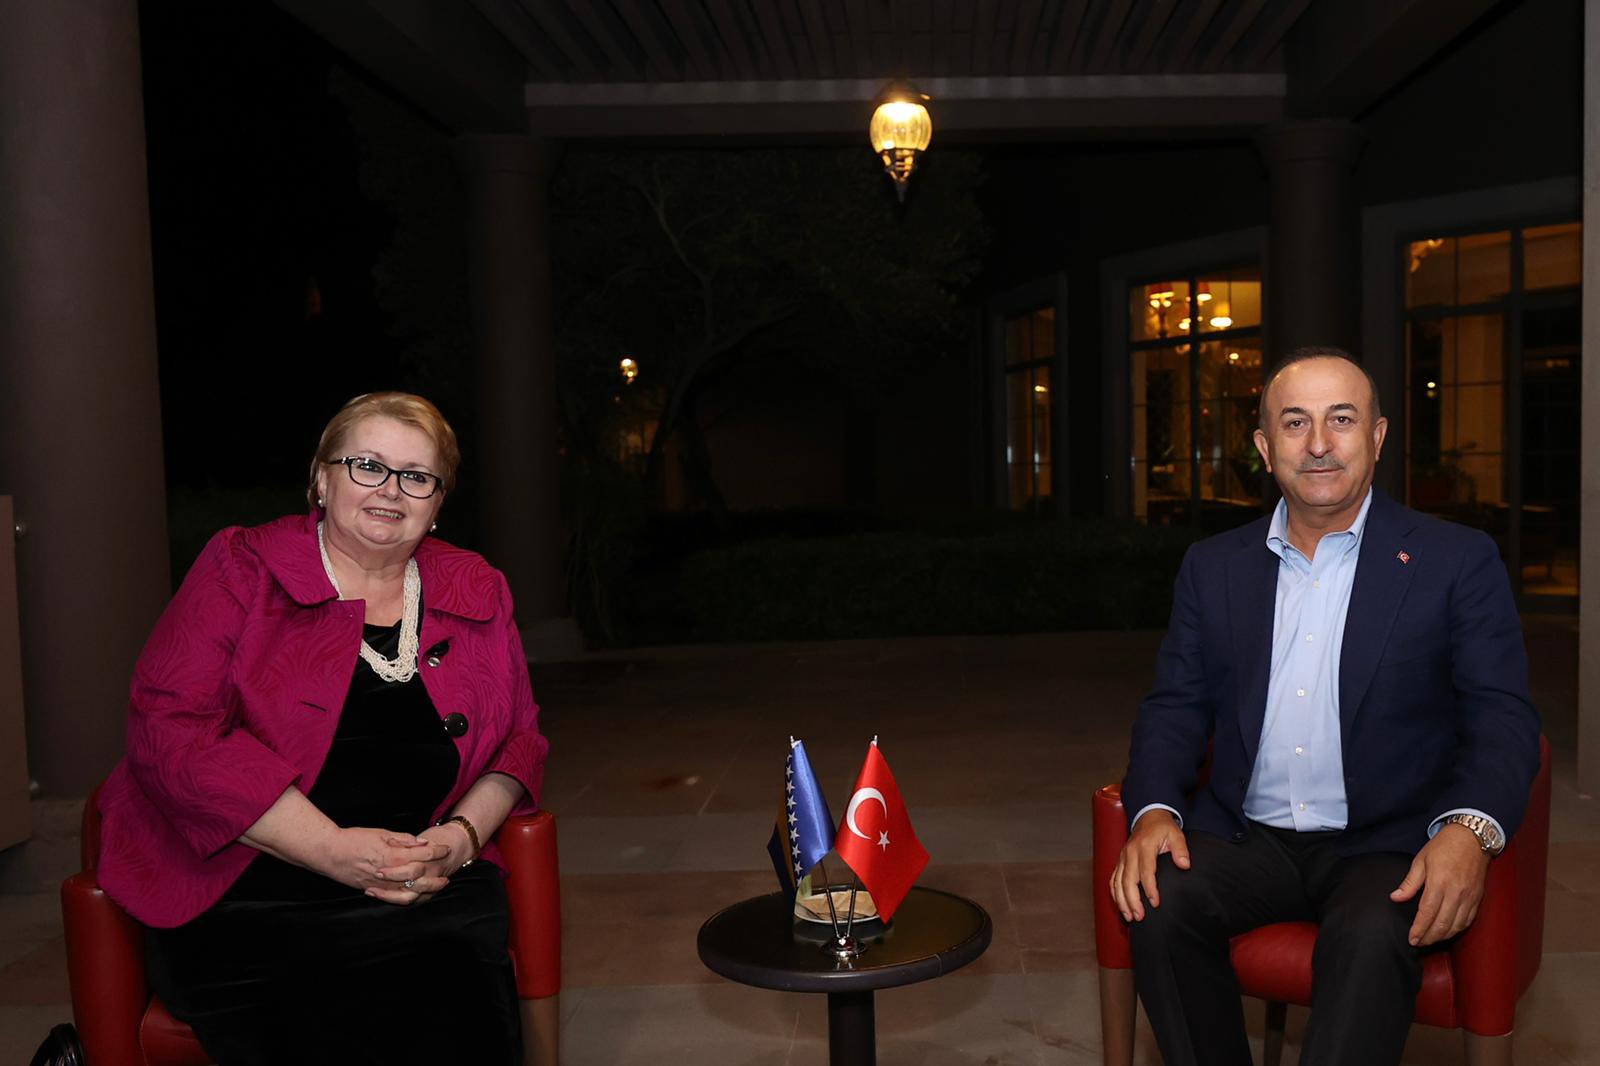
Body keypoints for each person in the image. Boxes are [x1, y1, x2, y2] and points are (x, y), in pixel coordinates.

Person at [1112, 347, 1541, 1066]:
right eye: (1295, 422)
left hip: (1387, 842)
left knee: (1371, 935)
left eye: (1341, 419)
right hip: (1248, 838)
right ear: (1264, 447)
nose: (1318, 443)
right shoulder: (1213, 566)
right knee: (1160, 905)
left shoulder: (1454, 560)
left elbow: (1502, 715)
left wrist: (1470, 830)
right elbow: (1175, 707)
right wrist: (1154, 810)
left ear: (1377, 437)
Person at [95, 392, 549, 1065]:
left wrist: (459, 840)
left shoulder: (476, 585)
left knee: (457, 994)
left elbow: (521, 740)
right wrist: (332, 850)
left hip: (421, 885)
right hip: (248, 885)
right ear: (321, 478)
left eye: (416, 476)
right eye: (368, 465)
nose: (390, 490)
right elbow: (171, 730)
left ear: (437, 504)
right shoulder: (242, 568)